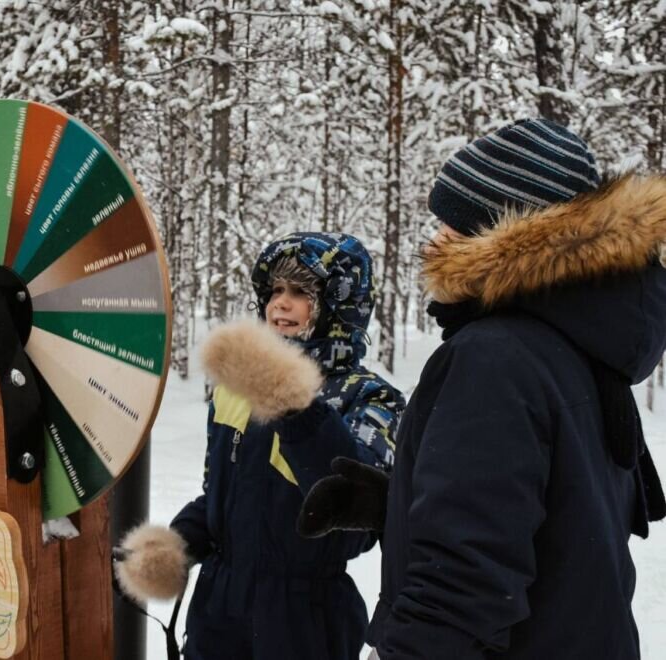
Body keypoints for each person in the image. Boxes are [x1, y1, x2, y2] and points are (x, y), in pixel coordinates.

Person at [301, 118, 666, 659]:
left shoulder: (493, 359)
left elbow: (466, 583)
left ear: (500, 235)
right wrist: (398, 501)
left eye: (454, 223)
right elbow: (552, 518)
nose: (437, 237)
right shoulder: (576, 345)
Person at [115, 232, 404, 659]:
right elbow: (222, 500)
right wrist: (174, 545)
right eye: (274, 290)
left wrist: (296, 408)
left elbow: (355, 526)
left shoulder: (369, 398)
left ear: (340, 307)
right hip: (218, 615)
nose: (280, 303)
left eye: (301, 292)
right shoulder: (236, 392)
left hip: (306, 622)